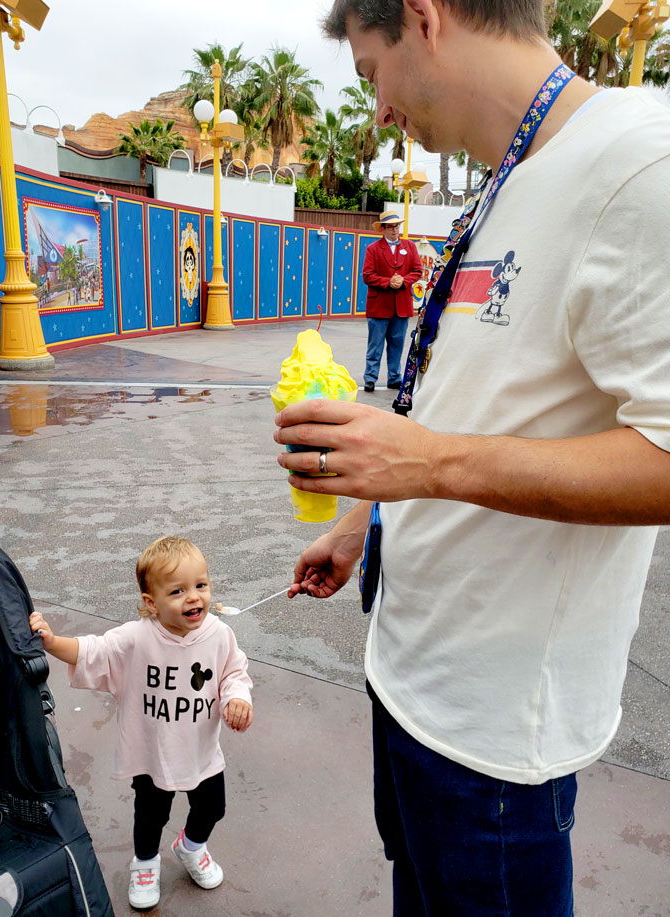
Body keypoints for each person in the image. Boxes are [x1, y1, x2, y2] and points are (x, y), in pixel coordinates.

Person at [274, 1, 670, 914]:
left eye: (371, 73)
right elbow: (467, 397)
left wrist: (429, 466)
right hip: (409, 677)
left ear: (424, 17)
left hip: (495, 740)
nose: (375, 112)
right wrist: (361, 519)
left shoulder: (637, 165)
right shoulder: (504, 180)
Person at [29, 536, 253, 910]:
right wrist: (52, 642)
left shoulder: (218, 634)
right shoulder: (136, 638)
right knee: (151, 815)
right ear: (152, 603)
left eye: (201, 585)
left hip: (201, 750)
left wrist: (238, 698)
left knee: (212, 807)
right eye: (178, 590)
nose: (194, 597)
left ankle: (191, 847)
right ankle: (145, 864)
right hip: (152, 754)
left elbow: (234, 672)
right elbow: (93, 651)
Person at [362, 210, 422, 391]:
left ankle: (394, 377)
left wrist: (404, 281)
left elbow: (417, 271)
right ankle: (370, 378)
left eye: (397, 226)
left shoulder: (410, 246)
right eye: (391, 227)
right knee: (375, 345)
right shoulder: (372, 249)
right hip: (379, 304)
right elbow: (367, 275)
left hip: (401, 305)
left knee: (397, 343)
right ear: (383, 229)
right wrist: (388, 282)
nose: (395, 230)